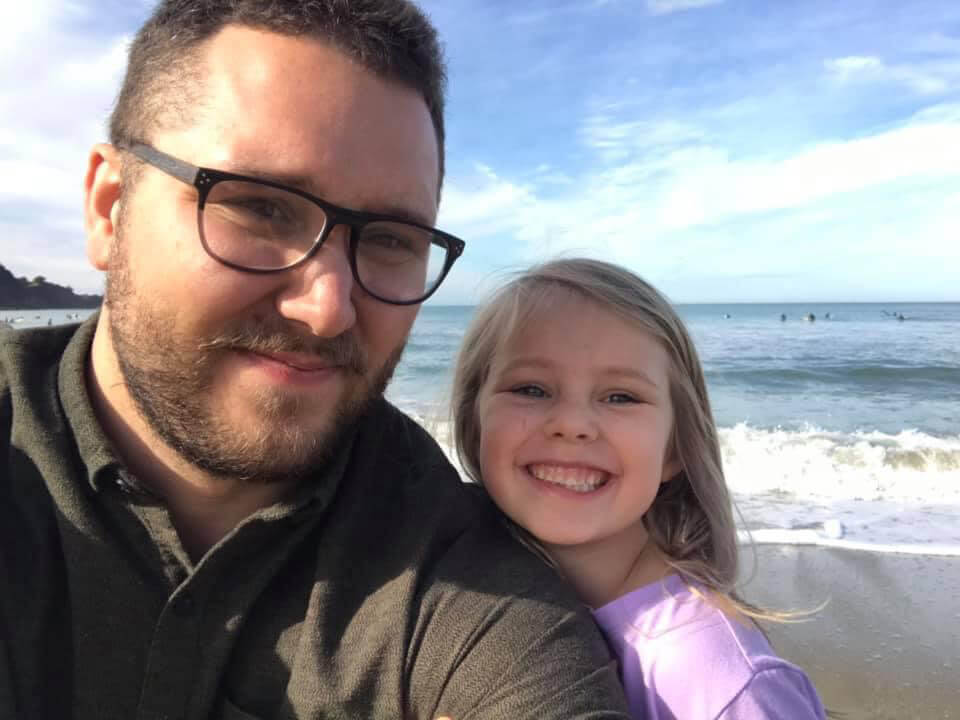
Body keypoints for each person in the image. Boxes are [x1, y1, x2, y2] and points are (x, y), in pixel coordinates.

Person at [0, 3, 631, 718]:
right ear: (110, 209)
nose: (328, 308)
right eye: (261, 208)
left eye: (392, 239)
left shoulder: (466, 589)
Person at [451, 258, 827, 719]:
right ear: (476, 422)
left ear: (675, 449)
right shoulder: (473, 612)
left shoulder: (718, 682)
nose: (571, 424)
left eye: (621, 396)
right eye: (531, 389)